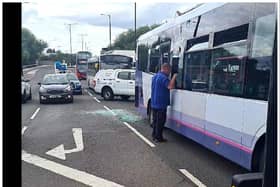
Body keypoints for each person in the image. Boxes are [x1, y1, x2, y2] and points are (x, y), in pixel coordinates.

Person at [151, 63, 177, 143]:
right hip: (161, 104)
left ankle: (154, 135)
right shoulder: (164, 78)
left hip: (154, 103)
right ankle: (159, 138)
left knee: (155, 121)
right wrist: (174, 77)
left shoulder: (155, 76)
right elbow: (170, 86)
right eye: (169, 71)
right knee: (161, 122)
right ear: (166, 69)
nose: (169, 73)